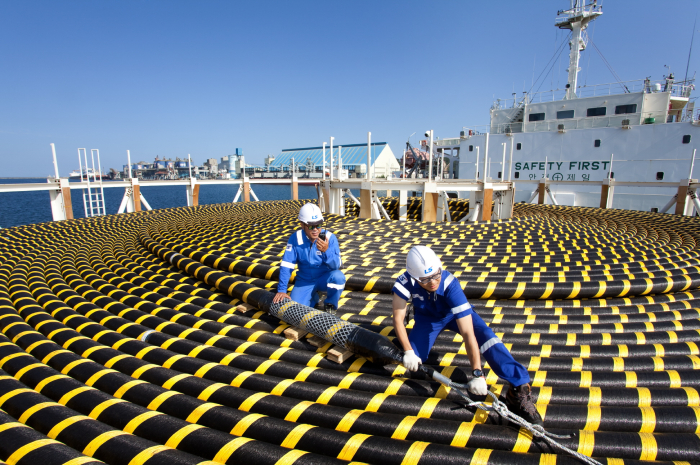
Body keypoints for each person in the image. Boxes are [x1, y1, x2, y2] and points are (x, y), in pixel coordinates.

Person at [391, 245, 543, 426]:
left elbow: (468, 333)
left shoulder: (449, 285)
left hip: (453, 313)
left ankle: (519, 386)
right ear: (415, 278)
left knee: (486, 336)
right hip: (427, 317)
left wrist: (478, 374)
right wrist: (408, 350)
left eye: (436, 275)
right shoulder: (404, 281)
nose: (432, 282)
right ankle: (415, 310)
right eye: (425, 280)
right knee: (414, 359)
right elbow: (398, 320)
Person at [273, 203, 345, 314]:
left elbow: (336, 265)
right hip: (304, 280)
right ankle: (315, 296)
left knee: (338, 277)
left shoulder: (330, 238)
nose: (316, 230)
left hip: (324, 278)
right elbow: (287, 265)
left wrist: (326, 251)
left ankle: (330, 304)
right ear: (302, 225)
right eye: (311, 226)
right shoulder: (295, 238)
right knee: (295, 312)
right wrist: (282, 290)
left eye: (319, 225)